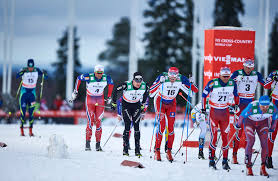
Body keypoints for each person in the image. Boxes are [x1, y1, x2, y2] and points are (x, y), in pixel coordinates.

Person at [149, 67, 198, 162]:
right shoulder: (162, 76)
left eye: (174, 76)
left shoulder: (181, 78)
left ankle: (169, 151)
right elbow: (151, 93)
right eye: (170, 76)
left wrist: (192, 83)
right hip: (160, 101)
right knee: (162, 126)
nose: (172, 78)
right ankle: (157, 150)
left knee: (171, 128)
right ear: (168, 74)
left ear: (177, 75)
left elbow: (193, 92)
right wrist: (159, 83)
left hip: (171, 103)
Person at [202, 67, 239, 170]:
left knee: (225, 137)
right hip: (214, 112)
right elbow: (204, 95)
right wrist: (203, 109)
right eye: (224, 76)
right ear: (220, 75)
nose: (226, 78)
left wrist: (236, 105)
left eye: (228, 76)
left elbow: (236, 95)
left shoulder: (232, 83)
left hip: (225, 113)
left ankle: (225, 161)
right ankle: (211, 161)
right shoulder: (213, 83)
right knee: (214, 137)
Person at [70, 64, 114, 151]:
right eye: (98, 72)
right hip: (90, 100)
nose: (99, 74)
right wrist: (75, 91)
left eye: (101, 73)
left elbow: (111, 84)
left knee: (98, 121)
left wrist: (109, 96)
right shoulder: (89, 77)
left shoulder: (106, 78)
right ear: (94, 72)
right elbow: (79, 78)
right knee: (90, 121)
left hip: (100, 100)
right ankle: (87, 144)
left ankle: (98, 145)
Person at [230, 58, 265, 164]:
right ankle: (234, 155)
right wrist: (233, 103)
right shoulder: (237, 73)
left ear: (253, 67)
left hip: (250, 103)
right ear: (243, 66)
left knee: (250, 130)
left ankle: (247, 154)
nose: (248, 69)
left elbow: (266, 84)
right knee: (239, 130)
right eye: (246, 67)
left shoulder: (256, 74)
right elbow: (230, 85)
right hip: (240, 102)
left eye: (250, 67)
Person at [234, 95, 278, 176]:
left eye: (266, 106)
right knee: (251, 141)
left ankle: (263, 167)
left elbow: (275, 117)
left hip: (262, 123)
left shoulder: (273, 108)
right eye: (262, 106)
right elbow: (242, 115)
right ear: (259, 104)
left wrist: (272, 127)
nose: (265, 108)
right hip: (249, 122)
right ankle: (248, 166)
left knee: (264, 143)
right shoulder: (252, 106)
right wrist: (238, 125)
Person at [111, 72, 149, 157]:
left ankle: (137, 150)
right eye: (136, 81)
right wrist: (113, 103)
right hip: (126, 105)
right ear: (133, 80)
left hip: (136, 105)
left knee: (137, 127)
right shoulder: (126, 85)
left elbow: (146, 94)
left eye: (140, 81)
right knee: (127, 127)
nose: (138, 83)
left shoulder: (144, 86)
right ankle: (125, 150)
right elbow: (115, 90)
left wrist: (143, 104)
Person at [16, 59, 46, 136]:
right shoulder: (24, 70)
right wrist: (21, 72)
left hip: (32, 95)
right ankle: (22, 131)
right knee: (23, 113)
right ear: (27, 66)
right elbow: (17, 76)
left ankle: (30, 131)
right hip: (24, 94)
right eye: (29, 67)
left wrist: (44, 73)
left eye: (32, 67)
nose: (30, 68)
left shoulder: (36, 70)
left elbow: (44, 76)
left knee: (31, 114)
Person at [264, 70, 278, 168]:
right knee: (272, 133)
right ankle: (268, 157)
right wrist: (273, 79)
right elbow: (266, 86)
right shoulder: (274, 73)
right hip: (275, 104)